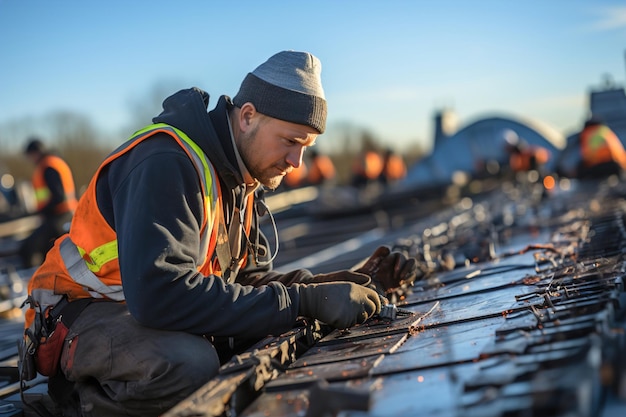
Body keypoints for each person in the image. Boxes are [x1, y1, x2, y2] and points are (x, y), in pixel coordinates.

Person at [21, 51, 419, 416]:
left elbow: (246, 284)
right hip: (76, 317)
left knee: (259, 328)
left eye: (307, 147)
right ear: (247, 116)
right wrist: (301, 302)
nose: (297, 162)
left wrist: (333, 287)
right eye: (291, 142)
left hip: (137, 311)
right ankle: (72, 406)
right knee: (188, 364)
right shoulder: (167, 162)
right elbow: (160, 297)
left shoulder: (238, 182)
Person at [18, 138, 77, 268]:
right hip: (65, 215)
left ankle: (33, 279)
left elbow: (58, 196)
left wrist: (39, 211)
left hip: (59, 217)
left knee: (28, 249)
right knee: (48, 251)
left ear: (35, 153)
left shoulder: (48, 167)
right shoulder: (54, 163)